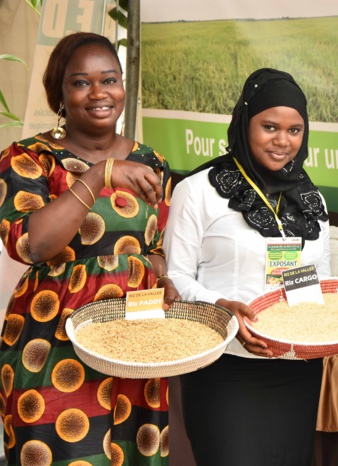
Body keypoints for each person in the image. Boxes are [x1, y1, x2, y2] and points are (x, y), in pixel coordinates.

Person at [0, 32, 178, 464]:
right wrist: (99, 175)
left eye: (110, 79)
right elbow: (33, 244)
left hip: (136, 348)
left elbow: (157, 249)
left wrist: (163, 279)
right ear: (59, 93)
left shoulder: (152, 162)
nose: (99, 93)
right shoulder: (29, 158)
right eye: (81, 82)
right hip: (53, 344)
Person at [163, 68, 332, 465]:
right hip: (225, 367)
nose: (282, 141)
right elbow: (176, 277)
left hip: (297, 365)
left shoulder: (312, 200)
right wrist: (221, 306)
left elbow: (316, 281)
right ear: (244, 122)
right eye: (269, 127)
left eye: (294, 130)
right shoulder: (199, 190)